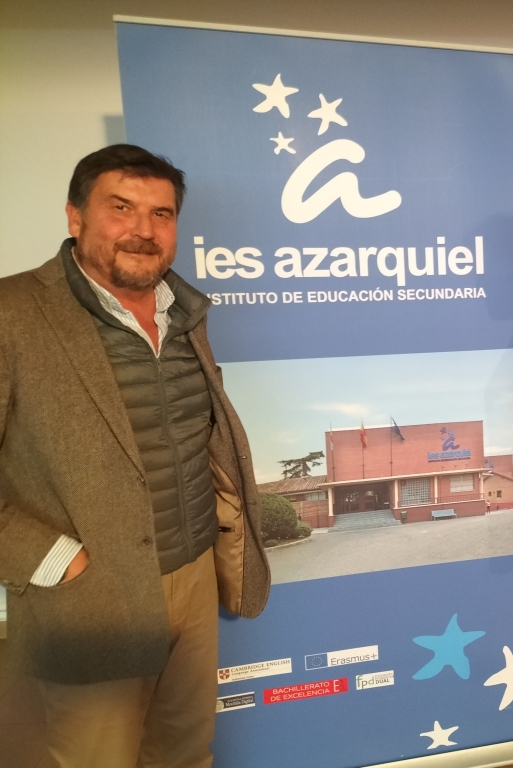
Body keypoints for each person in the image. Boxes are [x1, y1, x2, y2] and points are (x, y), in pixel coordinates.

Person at [0, 144, 270, 768]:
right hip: (88, 593)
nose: (143, 230)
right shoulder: (13, 313)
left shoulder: (186, 312)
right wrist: (48, 557)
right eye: (121, 208)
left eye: (161, 214)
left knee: (185, 752)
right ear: (75, 217)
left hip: (193, 575)